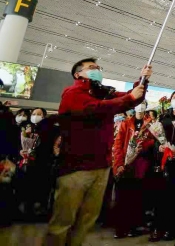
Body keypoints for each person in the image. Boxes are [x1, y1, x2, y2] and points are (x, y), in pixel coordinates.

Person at [45, 58, 150, 246]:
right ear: (77, 74)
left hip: (101, 166)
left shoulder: (103, 92)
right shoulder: (72, 93)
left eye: (98, 68)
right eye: (92, 68)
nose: (97, 70)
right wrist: (129, 98)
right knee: (63, 221)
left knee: (86, 220)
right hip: (75, 167)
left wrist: (142, 80)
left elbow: (130, 99)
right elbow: (96, 109)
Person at [149, 90, 175, 242]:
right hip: (164, 162)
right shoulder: (163, 117)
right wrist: (159, 147)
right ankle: (158, 227)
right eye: (174, 97)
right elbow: (155, 138)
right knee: (160, 196)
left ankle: (173, 228)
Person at [111, 101, 155, 239]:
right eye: (138, 104)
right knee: (122, 197)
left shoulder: (151, 125)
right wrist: (119, 164)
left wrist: (144, 144)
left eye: (143, 104)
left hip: (141, 166)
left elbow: (154, 141)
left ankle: (133, 227)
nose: (140, 106)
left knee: (136, 197)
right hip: (126, 164)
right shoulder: (126, 123)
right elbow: (118, 145)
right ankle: (120, 228)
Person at [19, 108, 60, 220]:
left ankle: (41, 211)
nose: (35, 116)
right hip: (29, 163)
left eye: (39, 114)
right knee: (28, 188)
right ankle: (28, 210)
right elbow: (19, 144)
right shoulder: (27, 128)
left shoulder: (51, 129)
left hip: (44, 163)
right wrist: (21, 151)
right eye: (34, 114)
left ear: (44, 116)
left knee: (42, 188)